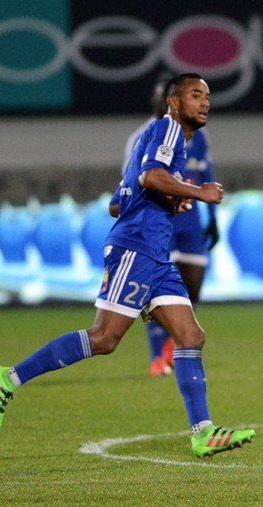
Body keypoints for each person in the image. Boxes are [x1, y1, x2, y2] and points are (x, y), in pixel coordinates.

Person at [0, 73, 255, 458]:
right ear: (173, 103)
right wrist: (197, 191)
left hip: (155, 253)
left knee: (191, 336)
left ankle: (203, 432)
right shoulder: (170, 131)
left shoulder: (153, 137)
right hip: (137, 248)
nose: (205, 102)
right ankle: (8, 378)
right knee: (104, 338)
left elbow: (118, 201)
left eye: (208, 96)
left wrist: (169, 199)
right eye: (195, 95)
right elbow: (150, 177)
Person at [111, 79, 220, 377]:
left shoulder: (197, 134)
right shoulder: (144, 135)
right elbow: (132, 185)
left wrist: (212, 219)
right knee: (146, 300)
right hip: (157, 225)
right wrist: (188, 194)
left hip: (191, 222)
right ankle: (158, 355)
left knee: (192, 289)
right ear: (166, 101)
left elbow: (205, 172)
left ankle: (175, 349)